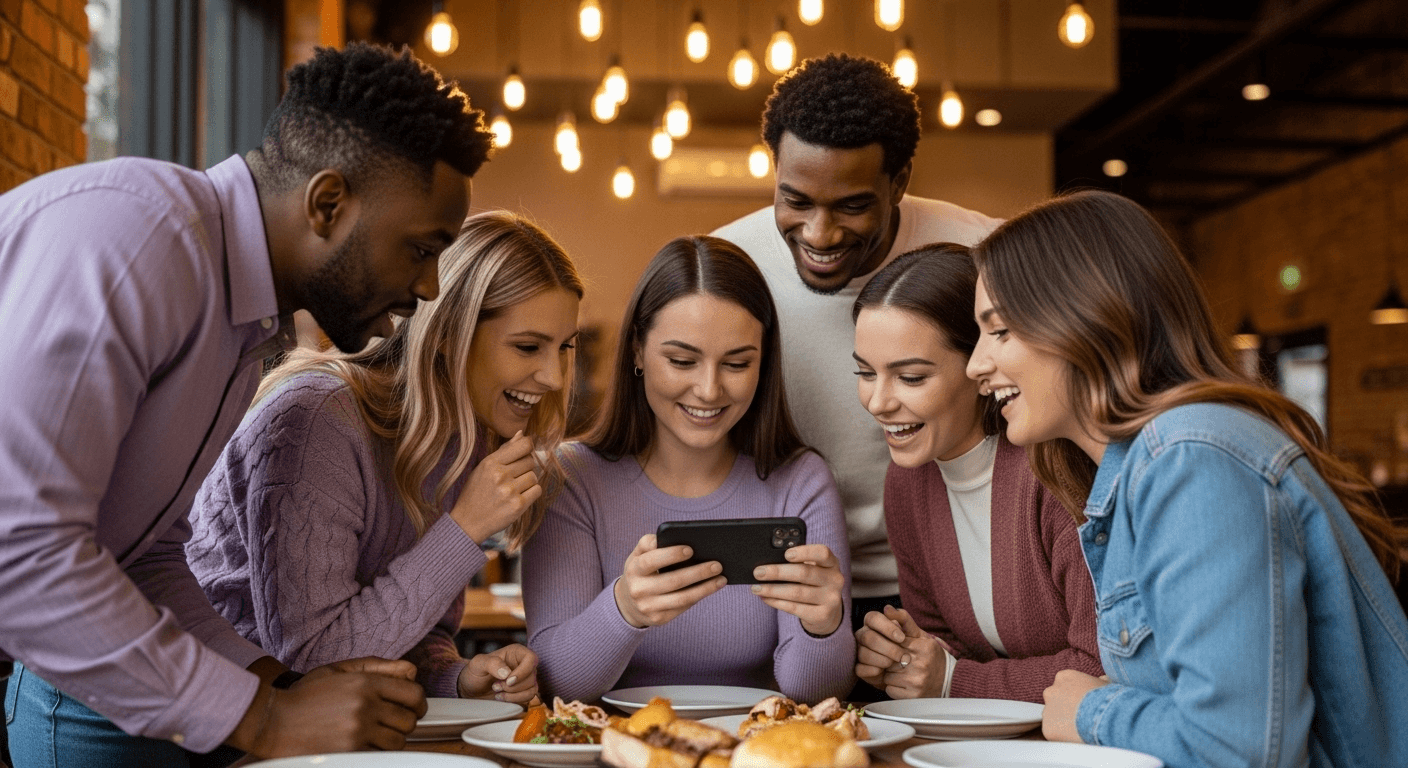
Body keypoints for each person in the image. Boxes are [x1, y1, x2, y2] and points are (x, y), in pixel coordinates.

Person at [0, 43, 493, 765]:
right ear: (329, 203)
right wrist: (264, 720)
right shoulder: (140, 241)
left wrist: (278, 685)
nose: (427, 288)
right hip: (70, 701)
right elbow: (20, 551)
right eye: (421, 249)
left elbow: (144, 554)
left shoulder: (244, 321)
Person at [967, 190, 1408, 767]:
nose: (975, 365)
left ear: (1086, 314)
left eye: (999, 331)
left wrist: (1091, 712)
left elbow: (1238, 750)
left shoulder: (1193, 457)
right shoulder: (1150, 464)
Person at [187, 211, 581, 707]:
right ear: (445, 335)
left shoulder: (465, 439)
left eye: (565, 347)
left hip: (301, 728)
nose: (554, 377)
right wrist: (463, 528)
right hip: (194, 724)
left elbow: (411, 634)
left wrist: (458, 678)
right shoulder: (317, 419)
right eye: (528, 347)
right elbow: (312, 663)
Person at [712, 54, 1001, 630]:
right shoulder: (729, 266)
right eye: (796, 201)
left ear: (899, 183)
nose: (819, 234)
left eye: (851, 205)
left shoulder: (984, 255)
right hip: (779, 586)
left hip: (957, 582)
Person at [522, 236, 855, 703]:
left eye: (737, 363)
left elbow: (812, 693)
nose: (708, 389)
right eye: (682, 361)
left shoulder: (799, 481)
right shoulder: (572, 479)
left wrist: (824, 625)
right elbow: (556, 684)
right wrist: (625, 609)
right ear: (637, 350)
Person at [849, 244, 1102, 703]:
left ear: (981, 367)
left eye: (910, 378)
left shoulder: (1056, 469)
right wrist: (908, 655)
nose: (878, 402)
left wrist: (953, 681)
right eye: (865, 372)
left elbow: (1100, 665)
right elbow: (947, 645)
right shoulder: (906, 482)